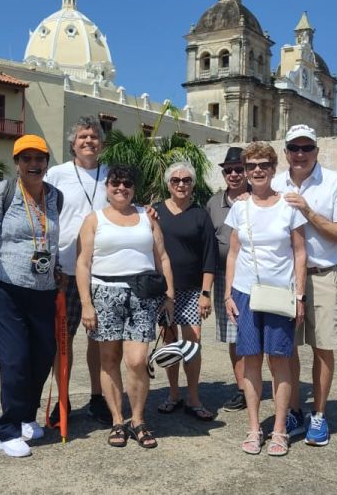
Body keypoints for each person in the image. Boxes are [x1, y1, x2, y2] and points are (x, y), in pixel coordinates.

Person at [75, 165, 175, 449]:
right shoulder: (94, 219)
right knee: (109, 359)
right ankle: (118, 420)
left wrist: (169, 296)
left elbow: (163, 258)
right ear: (107, 187)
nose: (121, 188)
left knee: (136, 360)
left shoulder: (147, 217)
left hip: (143, 294)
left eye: (127, 183)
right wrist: (86, 304)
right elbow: (83, 263)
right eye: (115, 183)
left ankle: (139, 420)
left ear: (134, 187)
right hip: (104, 293)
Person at [0, 134, 61, 458]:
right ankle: (7, 430)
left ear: (46, 163)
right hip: (3, 286)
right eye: (26, 159)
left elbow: (51, 241)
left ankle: (26, 415)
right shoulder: (4, 191)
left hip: (42, 288)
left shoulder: (55, 197)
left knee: (41, 357)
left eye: (39, 158)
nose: (33, 164)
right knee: (15, 358)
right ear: (17, 164)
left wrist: (57, 270)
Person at [272, 124, 337, 447]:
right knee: (286, 347)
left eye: (307, 148)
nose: (300, 154)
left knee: (323, 347)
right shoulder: (277, 183)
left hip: (321, 274)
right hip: (286, 277)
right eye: (295, 148)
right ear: (286, 152)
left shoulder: (333, 182)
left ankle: (318, 414)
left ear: (317, 151)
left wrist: (308, 211)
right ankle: (293, 410)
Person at [223, 142, 307, 457]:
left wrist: (300, 295)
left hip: (279, 293)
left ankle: (281, 428)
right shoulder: (239, 206)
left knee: (280, 362)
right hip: (245, 293)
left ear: (273, 169)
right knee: (251, 362)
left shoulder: (288, 205)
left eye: (263, 165)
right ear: (244, 171)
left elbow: (300, 252)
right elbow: (233, 252)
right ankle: (254, 427)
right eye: (251, 166)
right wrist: (229, 293)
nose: (257, 170)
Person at [44, 116, 111, 425]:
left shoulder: (110, 176)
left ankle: (99, 397)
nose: (88, 141)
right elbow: (43, 216)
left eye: (94, 136)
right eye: (83, 136)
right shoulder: (56, 175)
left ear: (102, 143)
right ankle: (63, 399)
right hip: (66, 269)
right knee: (63, 338)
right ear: (72, 143)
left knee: (99, 339)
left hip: (104, 269)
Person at [153, 161, 217, 421]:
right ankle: (173, 394)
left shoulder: (200, 215)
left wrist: (206, 293)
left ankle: (193, 397)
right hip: (164, 292)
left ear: (193, 184)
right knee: (170, 344)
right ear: (168, 184)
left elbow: (209, 257)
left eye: (187, 180)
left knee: (192, 344)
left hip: (192, 291)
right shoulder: (155, 212)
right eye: (176, 180)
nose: (181, 184)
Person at [205, 147, 249, 412]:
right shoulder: (214, 203)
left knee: (257, 332)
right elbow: (208, 245)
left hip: (255, 276)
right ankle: (242, 388)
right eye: (228, 170)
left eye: (238, 169)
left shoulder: (258, 198)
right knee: (234, 336)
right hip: (225, 276)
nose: (233, 174)